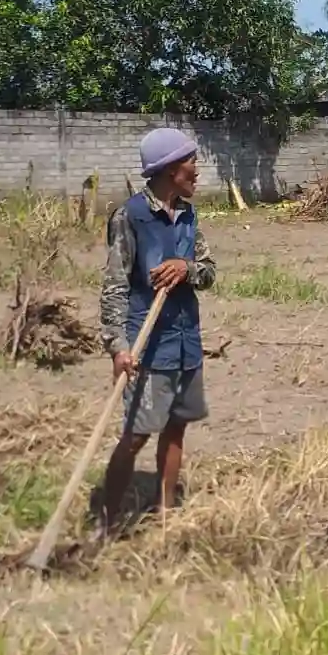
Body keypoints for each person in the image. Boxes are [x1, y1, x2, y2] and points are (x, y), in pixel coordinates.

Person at [97, 127, 217, 532]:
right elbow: (114, 285)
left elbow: (208, 272)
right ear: (169, 169)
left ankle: (166, 513)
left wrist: (188, 269)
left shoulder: (187, 213)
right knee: (135, 435)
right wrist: (117, 345)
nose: (197, 171)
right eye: (192, 162)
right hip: (148, 346)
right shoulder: (130, 216)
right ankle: (108, 520)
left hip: (186, 340)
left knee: (176, 427)